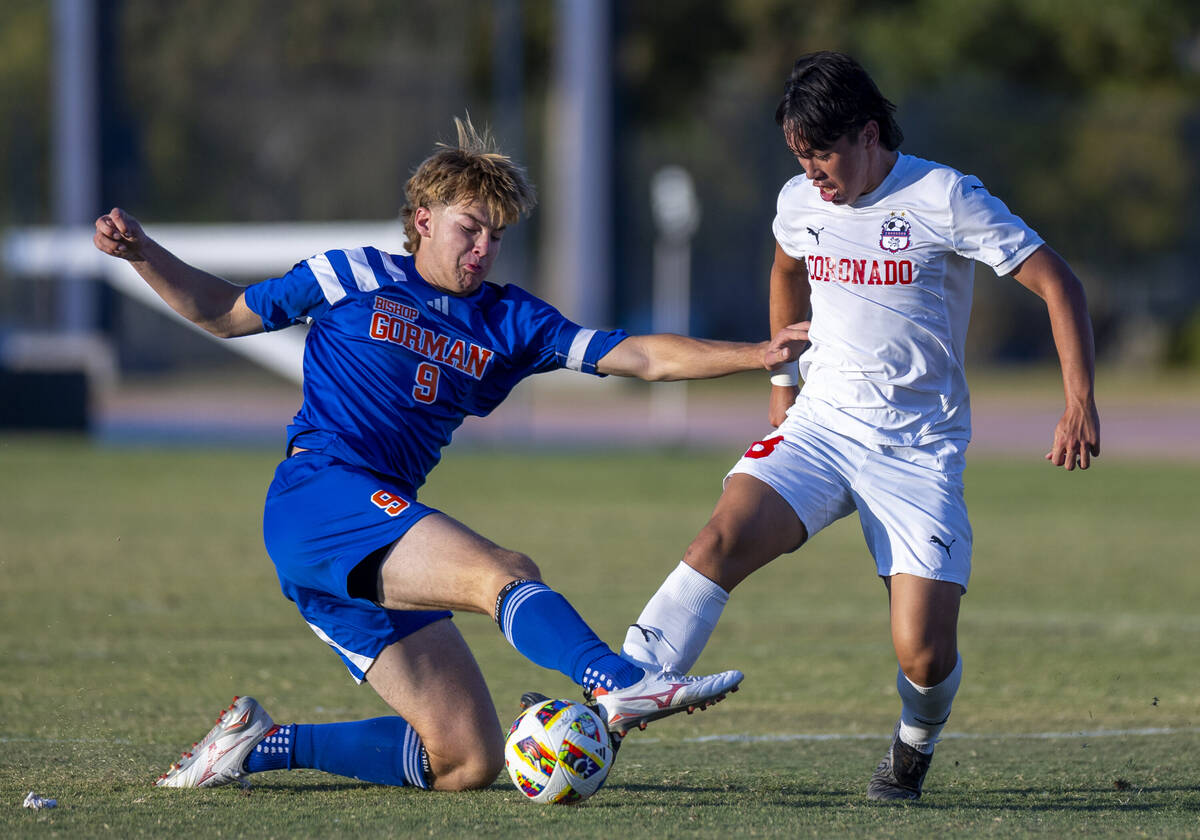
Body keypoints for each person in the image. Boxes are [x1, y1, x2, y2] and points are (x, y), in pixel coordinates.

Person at [92, 117, 808, 793]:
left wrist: (756, 354)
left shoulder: (507, 318)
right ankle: (614, 680)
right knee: (503, 574)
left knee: (466, 758)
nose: (482, 249)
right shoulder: (351, 274)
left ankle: (261, 743)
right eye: (470, 228)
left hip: (376, 530)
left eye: (495, 237)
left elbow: (641, 356)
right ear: (424, 219)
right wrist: (144, 254)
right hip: (319, 497)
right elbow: (225, 313)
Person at [617, 52, 1101, 802]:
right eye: (798, 155)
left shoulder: (944, 196)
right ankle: (615, 700)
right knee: (715, 541)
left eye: (822, 153)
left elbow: (1056, 280)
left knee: (925, 653)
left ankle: (913, 747)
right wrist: (783, 384)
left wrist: (1079, 402)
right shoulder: (801, 203)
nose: (811, 172)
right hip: (821, 429)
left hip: (917, 451)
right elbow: (785, 268)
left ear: (869, 134)